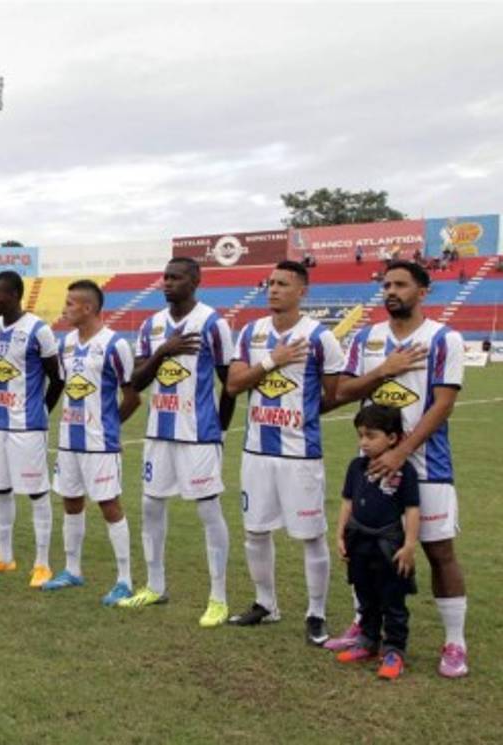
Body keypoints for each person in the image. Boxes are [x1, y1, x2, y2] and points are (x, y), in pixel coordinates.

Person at [331, 259, 469, 678]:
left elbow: (442, 405)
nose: (391, 291)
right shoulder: (367, 338)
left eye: (401, 284)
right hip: (373, 470)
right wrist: (383, 370)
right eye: (386, 284)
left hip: (428, 467)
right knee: (366, 549)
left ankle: (455, 642)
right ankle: (365, 628)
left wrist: (401, 452)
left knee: (439, 552)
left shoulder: (445, 339)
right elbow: (343, 390)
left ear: (423, 291)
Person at [224, 260, 343, 645]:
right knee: (255, 531)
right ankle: (265, 604)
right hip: (257, 450)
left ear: (302, 291)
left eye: (282, 284)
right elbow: (233, 385)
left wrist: (303, 413)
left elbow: (334, 394)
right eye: (270, 283)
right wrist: (273, 359)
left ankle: (316, 613)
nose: (273, 289)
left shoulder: (320, 338)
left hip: (300, 453)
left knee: (310, 535)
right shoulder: (250, 332)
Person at [118, 257, 237, 629]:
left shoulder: (213, 324)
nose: (167, 283)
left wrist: (219, 430)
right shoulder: (152, 325)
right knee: (151, 505)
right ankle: (155, 585)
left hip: (199, 434)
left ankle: (218, 598)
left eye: (176, 277)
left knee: (207, 511)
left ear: (195, 280)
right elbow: (135, 382)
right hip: (158, 433)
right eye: (165, 277)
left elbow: (229, 384)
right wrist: (163, 351)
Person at [42, 280, 140, 603]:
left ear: (88, 308)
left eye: (70, 304)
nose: (64, 309)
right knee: (70, 501)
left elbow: (132, 397)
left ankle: (124, 579)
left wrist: (109, 427)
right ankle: (73, 570)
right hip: (69, 441)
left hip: (100, 444)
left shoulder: (115, 345)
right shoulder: (66, 342)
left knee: (109, 505)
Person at [0, 270, 63, 587]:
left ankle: (42, 564)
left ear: (14, 295)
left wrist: (41, 410)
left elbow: (58, 378)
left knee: (37, 493)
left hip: (27, 426)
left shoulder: (39, 330)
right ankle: (5, 557)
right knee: (0, 490)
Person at [334, 405, 420, 680]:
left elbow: (412, 510)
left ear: (393, 438)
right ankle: (368, 641)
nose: (363, 442)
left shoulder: (405, 472)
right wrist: (340, 534)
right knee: (365, 595)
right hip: (358, 541)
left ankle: (394, 650)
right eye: (360, 436)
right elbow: (347, 502)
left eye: (371, 436)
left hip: (389, 545)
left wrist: (409, 546)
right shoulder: (355, 467)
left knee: (392, 601)